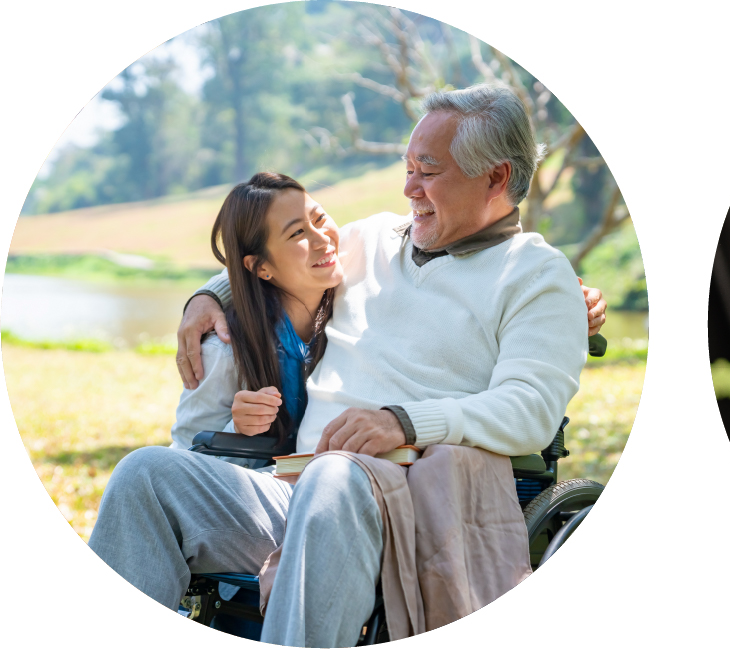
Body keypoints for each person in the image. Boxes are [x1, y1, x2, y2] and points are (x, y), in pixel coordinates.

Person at [89, 83, 591, 647]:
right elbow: (280, 257)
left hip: (407, 503)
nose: (409, 188)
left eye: (428, 172)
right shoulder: (373, 239)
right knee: (144, 475)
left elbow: (530, 409)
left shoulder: (536, 275)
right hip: (291, 487)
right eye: (407, 169)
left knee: (335, 477)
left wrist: (403, 422)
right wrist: (209, 296)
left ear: (496, 178)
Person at [165, 173, 340, 471]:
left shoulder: (355, 298)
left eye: (320, 218)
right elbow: (183, 466)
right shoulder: (224, 350)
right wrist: (238, 430)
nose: (322, 239)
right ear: (261, 267)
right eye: (297, 233)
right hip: (262, 492)